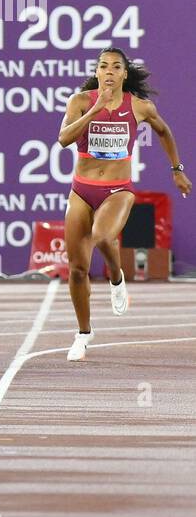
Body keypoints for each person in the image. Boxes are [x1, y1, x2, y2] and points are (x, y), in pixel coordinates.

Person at [57, 48, 191, 361]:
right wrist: (95, 111)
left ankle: (117, 279)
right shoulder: (80, 102)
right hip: (81, 190)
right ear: (98, 71)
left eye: (116, 67)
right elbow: (63, 139)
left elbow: (164, 131)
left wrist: (176, 169)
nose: (109, 71)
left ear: (124, 74)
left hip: (118, 189)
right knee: (77, 270)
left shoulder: (140, 107)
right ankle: (83, 334)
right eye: (104, 66)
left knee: (103, 237)